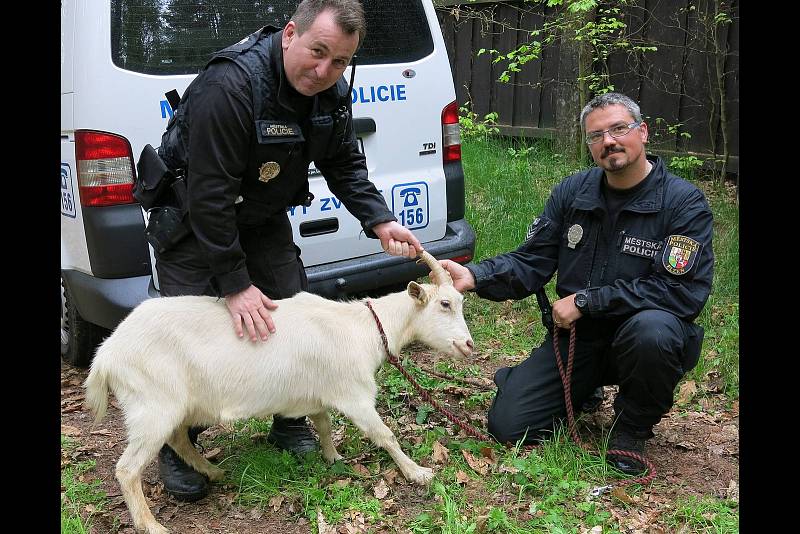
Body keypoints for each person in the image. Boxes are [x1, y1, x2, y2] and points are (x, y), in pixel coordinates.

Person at [151, 0, 423, 502]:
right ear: (290, 34)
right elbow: (208, 197)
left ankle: (289, 418)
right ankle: (177, 444)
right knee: (186, 338)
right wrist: (234, 284)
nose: (324, 71)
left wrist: (379, 219)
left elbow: (344, 162)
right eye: (317, 53)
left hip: (261, 216)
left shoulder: (331, 91)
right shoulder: (230, 86)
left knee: (293, 310)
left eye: (340, 61)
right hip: (193, 220)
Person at [440, 92, 713, 475]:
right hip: (578, 340)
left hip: (641, 340)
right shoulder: (573, 193)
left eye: (619, 129)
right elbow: (533, 260)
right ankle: (568, 386)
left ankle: (631, 430)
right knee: (509, 426)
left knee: (653, 331)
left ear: (643, 132)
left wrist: (587, 301)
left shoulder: (683, 204)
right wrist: (476, 275)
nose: (609, 142)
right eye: (596, 135)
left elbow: (680, 293)